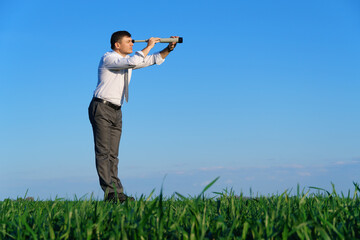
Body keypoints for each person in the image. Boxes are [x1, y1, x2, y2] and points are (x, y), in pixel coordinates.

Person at [88, 31, 178, 202]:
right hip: (101, 107)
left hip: (117, 110)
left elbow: (150, 60)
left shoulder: (126, 62)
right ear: (117, 45)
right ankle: (110, 193)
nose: (132, 45)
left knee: (113, 154)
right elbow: (133, 60)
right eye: (129, 42)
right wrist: (150, 45)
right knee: (103, 153)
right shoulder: (109, 58)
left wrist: (168, 49)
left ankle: (116, 192)